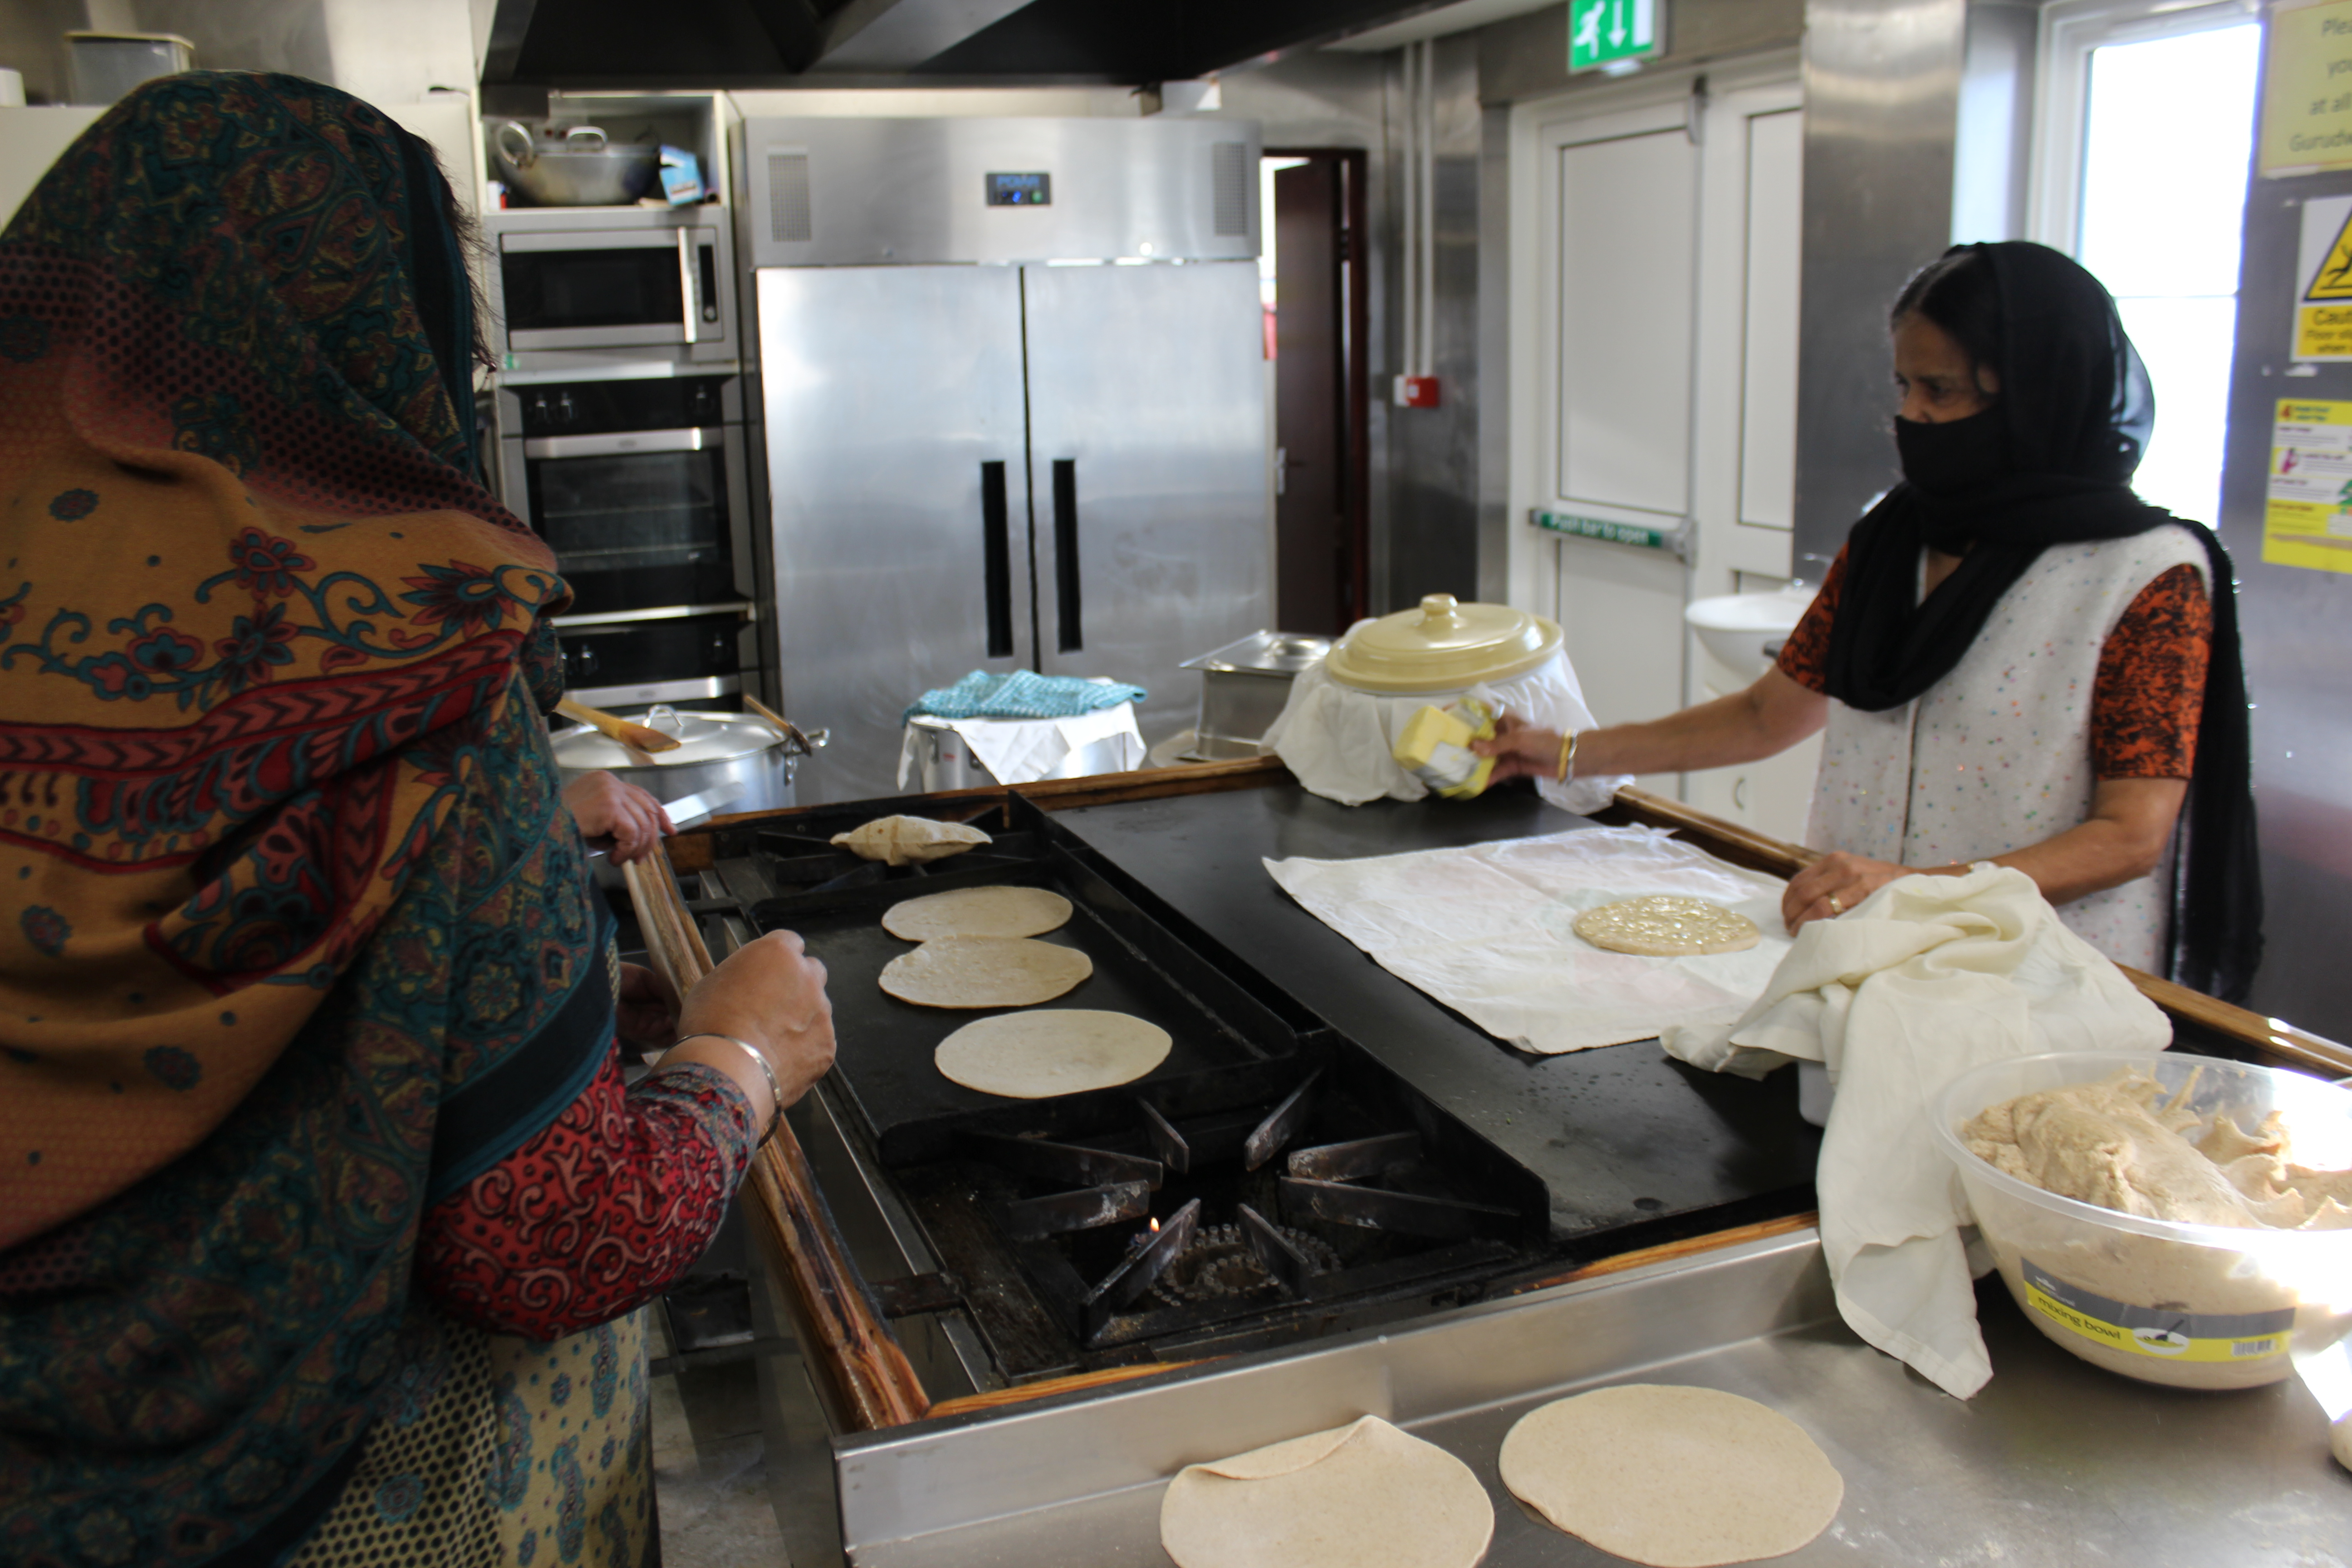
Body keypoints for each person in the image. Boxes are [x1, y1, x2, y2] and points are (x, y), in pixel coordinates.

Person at [0, 74, 833, 1567]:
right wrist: (735, 1056)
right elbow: (554, 1234)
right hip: (348, 1503)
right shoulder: (407, 666)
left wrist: (540, 989)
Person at [1479, 241, 2260, 1000]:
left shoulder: (2143, 576)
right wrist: (1564, 753)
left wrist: (1918, 890)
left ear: (2035, 393)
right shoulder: (1893, 541)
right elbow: (1765, 714)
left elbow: (2129, 833)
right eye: (1903, 387)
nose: (1912, 417)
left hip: (2036, 978)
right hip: (1863, 943)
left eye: (1941, 392)